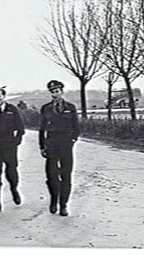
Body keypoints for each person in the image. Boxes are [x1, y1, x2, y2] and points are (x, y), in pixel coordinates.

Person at [39, 80, 80, 217]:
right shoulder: (46, 108)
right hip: (51, 143)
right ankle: (53, 201)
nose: (54, 94)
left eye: (57, 91)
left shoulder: (70, 107)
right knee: (51, 175)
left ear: (62, 92)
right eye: (52, 92)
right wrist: (42, 146)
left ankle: (63, 205)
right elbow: (42, 129)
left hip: (66, 144)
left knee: (66, 175)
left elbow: (76, 127)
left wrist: (73, 140)